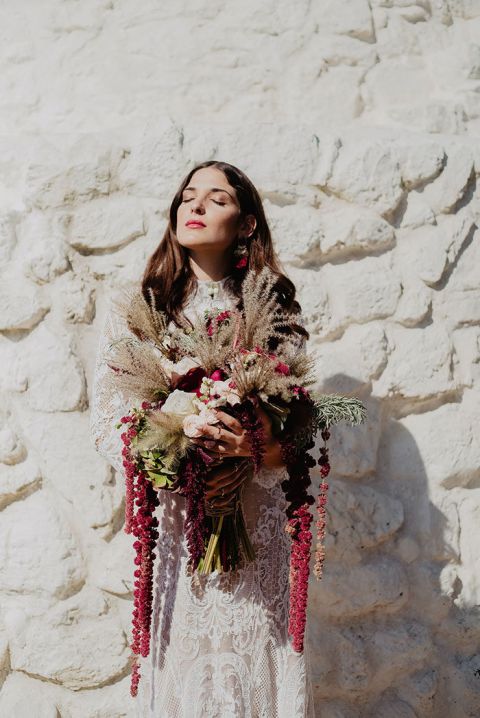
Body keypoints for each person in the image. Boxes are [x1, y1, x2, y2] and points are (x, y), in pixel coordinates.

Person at [89, 160, 315, 717]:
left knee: (257, 668)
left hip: (256, 527)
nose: (195, 206)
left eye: (216, 199)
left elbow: (307, 427)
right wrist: (178, 434)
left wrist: (256, 444)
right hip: (176, 531)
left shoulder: (274, 311)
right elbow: (106, 425)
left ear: (247, 225)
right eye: (188, 196)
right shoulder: (140, 309)